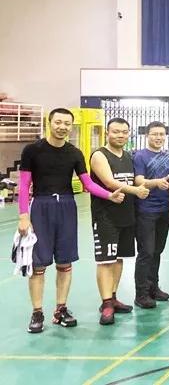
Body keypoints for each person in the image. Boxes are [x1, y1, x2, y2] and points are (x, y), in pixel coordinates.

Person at [18, 108, 124, 333]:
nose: (62, 127)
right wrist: (24, 215)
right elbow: (25, 185)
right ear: (50, 122)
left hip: (67, 206)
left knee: (65, 263)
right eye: (58, 122)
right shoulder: (32, 150)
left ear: (71, 126)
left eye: (67, 123)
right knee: (38, 264)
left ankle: (61, 310)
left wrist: (109, 195)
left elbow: (88, 184)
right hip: (41, 207)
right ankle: (37, 312)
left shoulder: (75, 153)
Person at [89, 118, 151, 325]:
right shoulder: (99, 155)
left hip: (127, 215)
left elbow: (137, 179)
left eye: (124, 132)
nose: (121, 135)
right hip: (106, 216)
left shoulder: (128, 156)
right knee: (106, 260)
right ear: (107, 132)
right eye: (116, 131)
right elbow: (109, 182)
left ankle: (113, 297)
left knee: (118, 258)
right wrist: (136, 191)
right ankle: (106, 303)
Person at [133, 121, 169, 309]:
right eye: (154, 134)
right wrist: (155, 183)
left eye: (161, 134)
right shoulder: (140, 156)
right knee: (146, 252)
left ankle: (153, 287)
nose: (158, 137)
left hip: (163, 210)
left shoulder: (167, 157)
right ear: (147, 136)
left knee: (157, 251)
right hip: (146, 211)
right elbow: (138, 181)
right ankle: (141, 294)